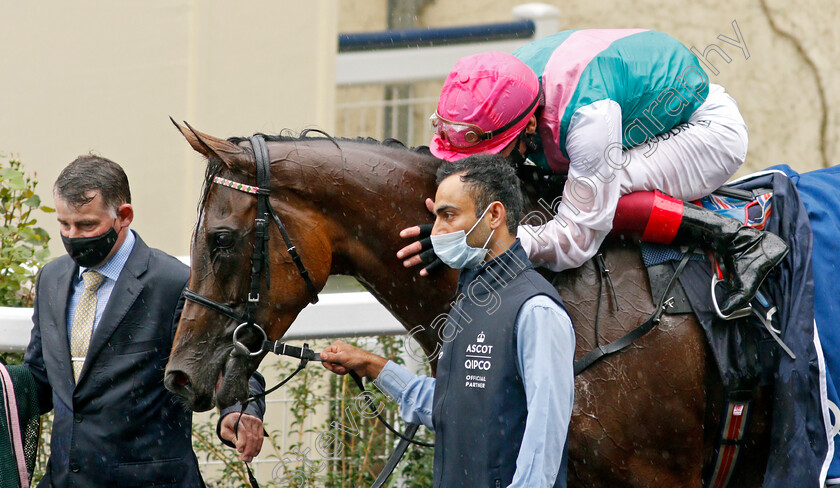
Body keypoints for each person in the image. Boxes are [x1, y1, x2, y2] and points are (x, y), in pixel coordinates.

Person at [399, 29, 788, 317]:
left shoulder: (587, 120)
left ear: (529, 128)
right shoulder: (508, 84)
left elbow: (575, 239)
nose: (485, 165)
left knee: (602, 198)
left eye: (493, 153)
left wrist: (490, 242)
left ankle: (741, 242)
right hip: (636, 116)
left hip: (705, 132)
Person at [321, 155, 575, 488]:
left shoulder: (536, 310)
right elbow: (452, 407)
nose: (437, 231)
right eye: (436, 216)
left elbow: (545, 438)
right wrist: (373, 366)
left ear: (494, 214)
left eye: (448, 215)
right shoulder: (469, 299)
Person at [23, 155, 265, 487]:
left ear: (124, 216)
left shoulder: (176, 284)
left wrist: (239, 411)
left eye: (87, 225)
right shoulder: (51, 278)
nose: (73, 236)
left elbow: (231, 365)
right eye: (64, 225)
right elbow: (38, 379)